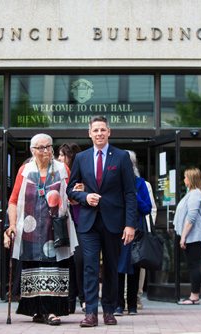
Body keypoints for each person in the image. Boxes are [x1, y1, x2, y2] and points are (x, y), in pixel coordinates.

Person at [67, 115, 137, 327]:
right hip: (88, 222)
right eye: (95, 130)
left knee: (111, 267)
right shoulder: (81, 158)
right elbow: (70, 189)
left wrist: (130, 224)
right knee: (89, 267)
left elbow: (130, 193)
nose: (99, 133)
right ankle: (90, 312)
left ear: (109, 132)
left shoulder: (122, 157)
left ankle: (109, 310)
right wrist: (84, 197)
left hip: (114, 221)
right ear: (89, 133)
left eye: (102, 130)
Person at [3, 133, 77, 326]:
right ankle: (36, 310)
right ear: (32, 150)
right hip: (30, 229)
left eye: (48, 147)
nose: (45, 151)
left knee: (54, 268)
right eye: (41, 148)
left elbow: (71, 196)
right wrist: (11, 225)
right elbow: (13, 201)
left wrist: (78, 194)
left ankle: (52, 311)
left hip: (55, 228)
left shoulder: (62, 169)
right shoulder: (25, 170)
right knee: (33, 268)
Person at [114, 150, 152, 316]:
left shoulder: (140, 183)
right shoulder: (114, 183)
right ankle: (118, 305)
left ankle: (133, 305)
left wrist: (133, 195)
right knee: (118, 268)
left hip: (136, 231)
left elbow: (147, 208)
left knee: (134, 267)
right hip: (117, 230)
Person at [173, 167, 201, 305]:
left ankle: (194, 297)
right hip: (190, 236)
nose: (184, 179)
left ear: (191, 179)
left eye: (185, 177)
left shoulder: (195, 195)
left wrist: (183, 237)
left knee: (194, 265)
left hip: (193, 237)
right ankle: (194, 295)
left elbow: (191, 218)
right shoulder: (191, 193)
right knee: (193, 265)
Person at [58, 143, 85, 314]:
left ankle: (83, 298)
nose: (59, 158)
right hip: (63, 223)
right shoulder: (58, 174)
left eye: (62, 155)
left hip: (81, 223)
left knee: (80, 261)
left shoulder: (82, 175)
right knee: (67, 262)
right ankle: (69, 300)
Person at [137, 176, 157, 309]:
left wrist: (149, 228)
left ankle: (137, 296)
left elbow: (151, 209)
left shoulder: (144, 184)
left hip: (141, 229)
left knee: (140, 262)